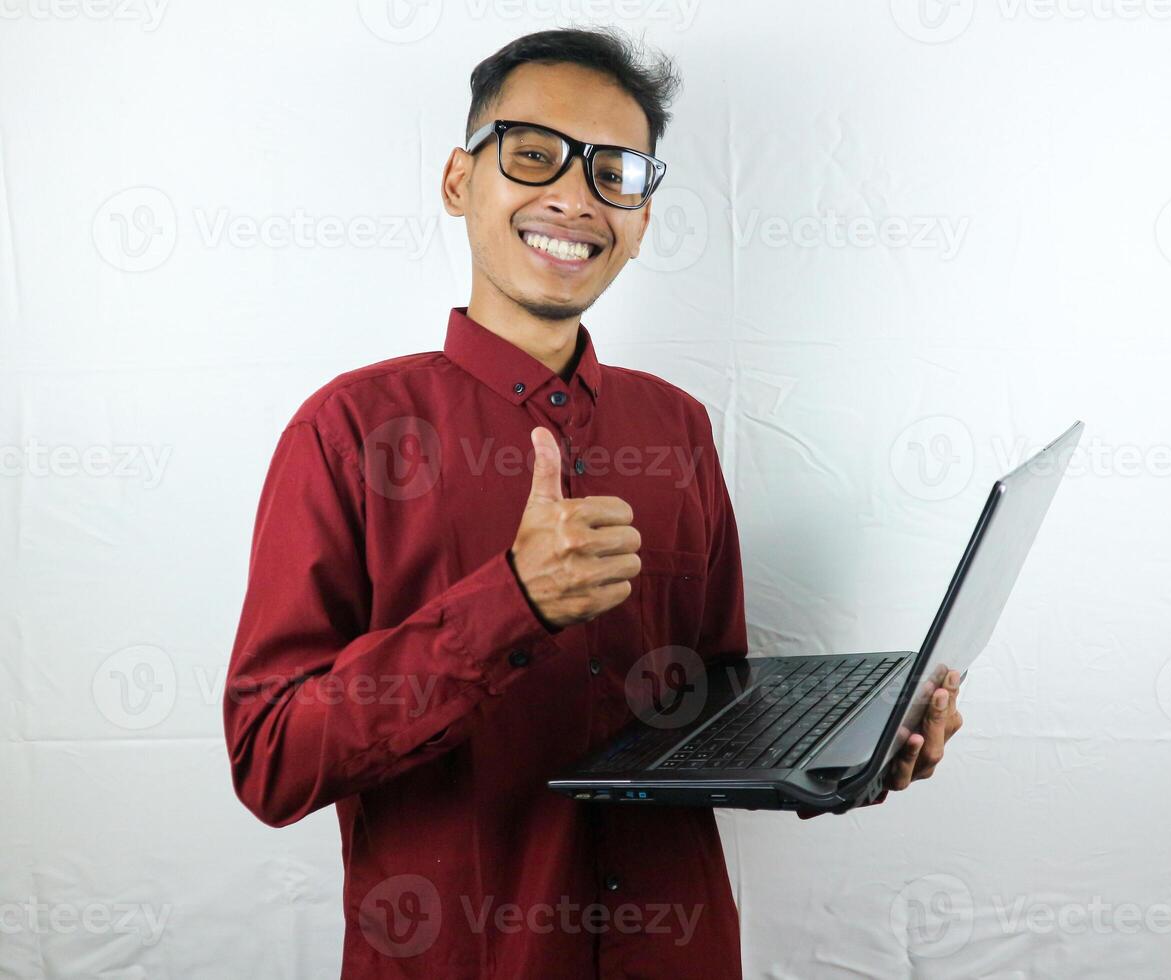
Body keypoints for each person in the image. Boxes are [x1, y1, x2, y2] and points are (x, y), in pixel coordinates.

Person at [222, 25, 963, 979]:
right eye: (532, 154)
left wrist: (854, 758)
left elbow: (711, 714)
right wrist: (510, 604)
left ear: (643, 218)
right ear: (459, 181)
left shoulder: (678, 427)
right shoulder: (348, 432)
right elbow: (271, 758)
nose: (573, 196)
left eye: (615, 171)